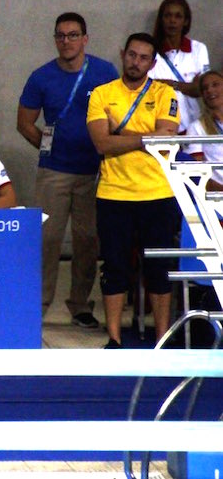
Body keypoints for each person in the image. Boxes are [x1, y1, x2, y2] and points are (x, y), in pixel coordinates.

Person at [16, 12, 119, 328]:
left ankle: (80, 305)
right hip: (54, 172)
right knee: (46, 239)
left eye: (73, 35)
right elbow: (24, 123)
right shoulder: (41, 77)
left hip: (94, 171)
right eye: (60, 35)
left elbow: (118, 117)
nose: (66, 41)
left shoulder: (104, 72)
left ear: (85, 39)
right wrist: (49, 148)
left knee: (88, 240)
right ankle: (39, 305)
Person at [87, 32, 181, 347]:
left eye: (143, 58)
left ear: (152, 63)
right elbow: (101, 142)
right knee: (114, 267)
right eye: (131, 55)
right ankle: (114, 338)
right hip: (114, 194)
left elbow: (166, 138)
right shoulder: (101, 94)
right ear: (122, 53)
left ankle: (162, 338)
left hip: (157, 193)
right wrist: (146, 137)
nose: (135, 62)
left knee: (159, 268)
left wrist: (122, 132)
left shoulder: (166, 93)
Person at [148, 0, 211, 134]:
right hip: (160, 128)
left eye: (178, 16)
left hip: (194, 127)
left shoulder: (198, 49)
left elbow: (201, 89)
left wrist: (170, 84)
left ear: (185, 21)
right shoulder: (150, 50)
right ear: (161, 20)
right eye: (168, 16)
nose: (172, 21)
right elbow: (148, 89)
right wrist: (188, 86)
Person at [183, 70, 223, 191]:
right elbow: (198, 176)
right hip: (217, 200)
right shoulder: (196, 128)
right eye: (205, 88)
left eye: (215, 85)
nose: (210, 90)